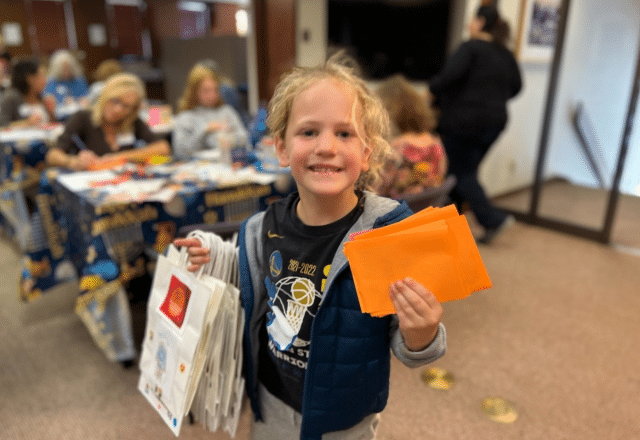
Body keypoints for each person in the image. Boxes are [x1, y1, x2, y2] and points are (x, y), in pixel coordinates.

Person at [174, 55, 446, 440]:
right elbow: (252, 276)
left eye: (345, 134)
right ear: (282, 149)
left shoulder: (386, 234)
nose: (326, 147)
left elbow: (410, 345)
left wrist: (423, 331)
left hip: (345, 417)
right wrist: (214, 255)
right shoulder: (260, 227)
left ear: (367, 152)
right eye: (308, 132)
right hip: (271, 402)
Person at [428, 4, 522, 244]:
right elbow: (516, 87)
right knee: (461, 171)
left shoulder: (471, 48)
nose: (470, 25)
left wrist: (431, 91)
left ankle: (492, 219)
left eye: (472, 20)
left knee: (461, 173)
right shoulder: (504, 53)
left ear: (480, 22)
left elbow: (446, 79)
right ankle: (450, 225)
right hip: (495, 123)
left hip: (464, 122)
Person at [45, 73, 170, 171]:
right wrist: (73, 161)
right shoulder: (82, 118)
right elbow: (53, 155)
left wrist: (121, 157)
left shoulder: (131, 121)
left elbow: (163, 148)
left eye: (126, 106)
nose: (118, 109)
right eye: (115, 100)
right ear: (105, 96)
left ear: (133, 109)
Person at [375, 73, 447, 199]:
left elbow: (379, 191)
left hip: (398, 213)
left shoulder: (397, 148)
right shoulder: (436, 143)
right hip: (428, 211)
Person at [172, 62, 249, 160]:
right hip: (197, 167)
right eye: (206, 91)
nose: (212, 95)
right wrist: (205, 130)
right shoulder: (185, 117)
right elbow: (180, 151)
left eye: (215, 90)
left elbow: (244, 138)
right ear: (194, 92)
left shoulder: (226, 111)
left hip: (226, 164)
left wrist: (227, 140)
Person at [0, 58, 56, 128]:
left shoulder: (39, 96)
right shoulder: (11, 97)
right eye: (41, 76)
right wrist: (26, 123)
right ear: (30, 79)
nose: (45, 80)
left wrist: (51, 113)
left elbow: (49, 124)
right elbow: (2, 126)